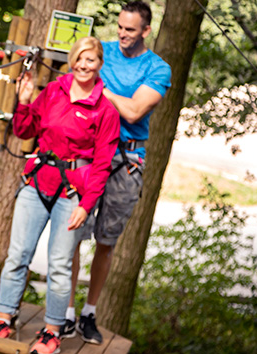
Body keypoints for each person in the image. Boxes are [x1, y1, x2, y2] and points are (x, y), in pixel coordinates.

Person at [0, 37, 120, 354]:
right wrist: (24, 99)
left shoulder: (105, 109)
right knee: (17, 255)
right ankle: (5, 319)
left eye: (91, 60)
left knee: (59, 265)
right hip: (36, 184)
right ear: (72, 61)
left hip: (72, 192)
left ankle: (52, 332)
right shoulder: (55, 91)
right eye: (79, 59)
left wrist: (87, 206)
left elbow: (102, 166)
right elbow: (24, 131)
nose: (84, 66)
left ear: (100, 64)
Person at [60, 1, 172, 345]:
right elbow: (67, 74)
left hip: (127, 158)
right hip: (89, 154)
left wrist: (99, 90)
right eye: (120, 28)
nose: (123, 35)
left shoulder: (158, 68)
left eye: (131, 30)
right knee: (73, 234)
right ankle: (64, 313)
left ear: (146, 31)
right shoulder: (101, 51)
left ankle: (89, 313)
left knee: (106, 241)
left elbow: (135, 111)